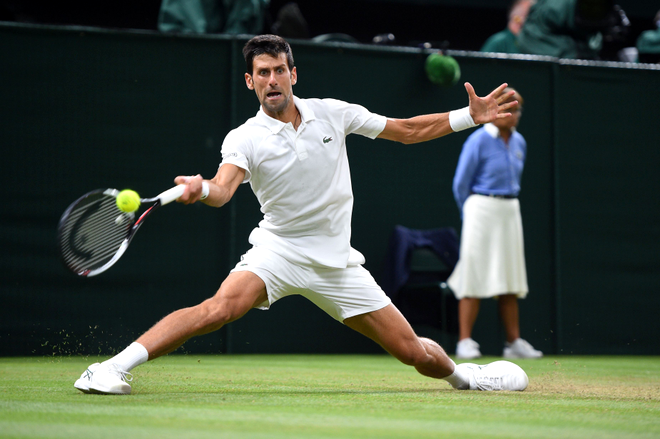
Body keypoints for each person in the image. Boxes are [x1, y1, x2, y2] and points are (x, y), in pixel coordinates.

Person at [74, 34, 529, 395]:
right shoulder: (245, 138)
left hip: (336, 261)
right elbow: (223, 188)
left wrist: (469, 117)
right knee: (218, 309)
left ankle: (466, 378)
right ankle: (109, 367)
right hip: (279, 251)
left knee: (414, 353)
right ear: (250, 82)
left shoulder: (333, 114)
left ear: (294, 74)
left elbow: (406, 131)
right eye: (262, 73)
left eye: (279, 71)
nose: (272, 80)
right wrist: (200, 189)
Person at [447, 87, 542, 361]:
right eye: (504, 107)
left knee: (511, 276)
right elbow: (460, 184)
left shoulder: (520, 142)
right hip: (480, 208)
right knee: (473, 274)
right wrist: (471, 213)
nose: (509, 113)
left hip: (510, 209)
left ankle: (513, 343)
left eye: (515, 109)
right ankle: (465, 341)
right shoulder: (478, 140)